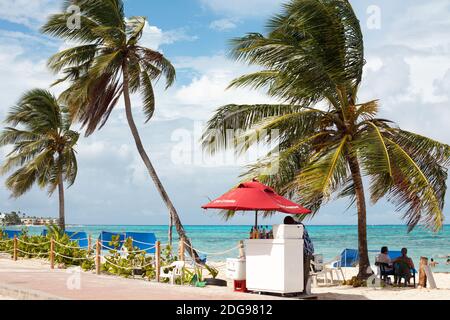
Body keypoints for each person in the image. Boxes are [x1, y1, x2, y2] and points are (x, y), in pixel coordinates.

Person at [283, 216, 314, 294]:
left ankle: (303, 290)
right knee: (298, 271)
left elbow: (299, 239)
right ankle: (297, 289)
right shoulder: (294, 226)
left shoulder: (299, 227)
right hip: (300, 252)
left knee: (304, 271)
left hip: (307, 251)